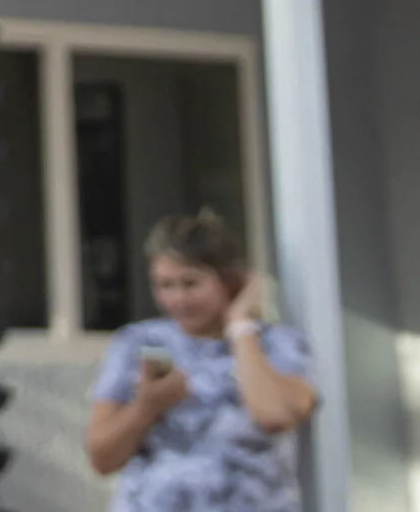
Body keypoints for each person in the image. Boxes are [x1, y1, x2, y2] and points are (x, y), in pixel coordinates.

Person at [86, 210, 320, 511]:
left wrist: (240, 327)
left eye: (191, 283)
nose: (178, 299)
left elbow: (273, 415)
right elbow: (101, 459)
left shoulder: (278, 344)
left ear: (229, 281)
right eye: (165, 285)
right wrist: (147, 407)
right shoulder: (138, 343)